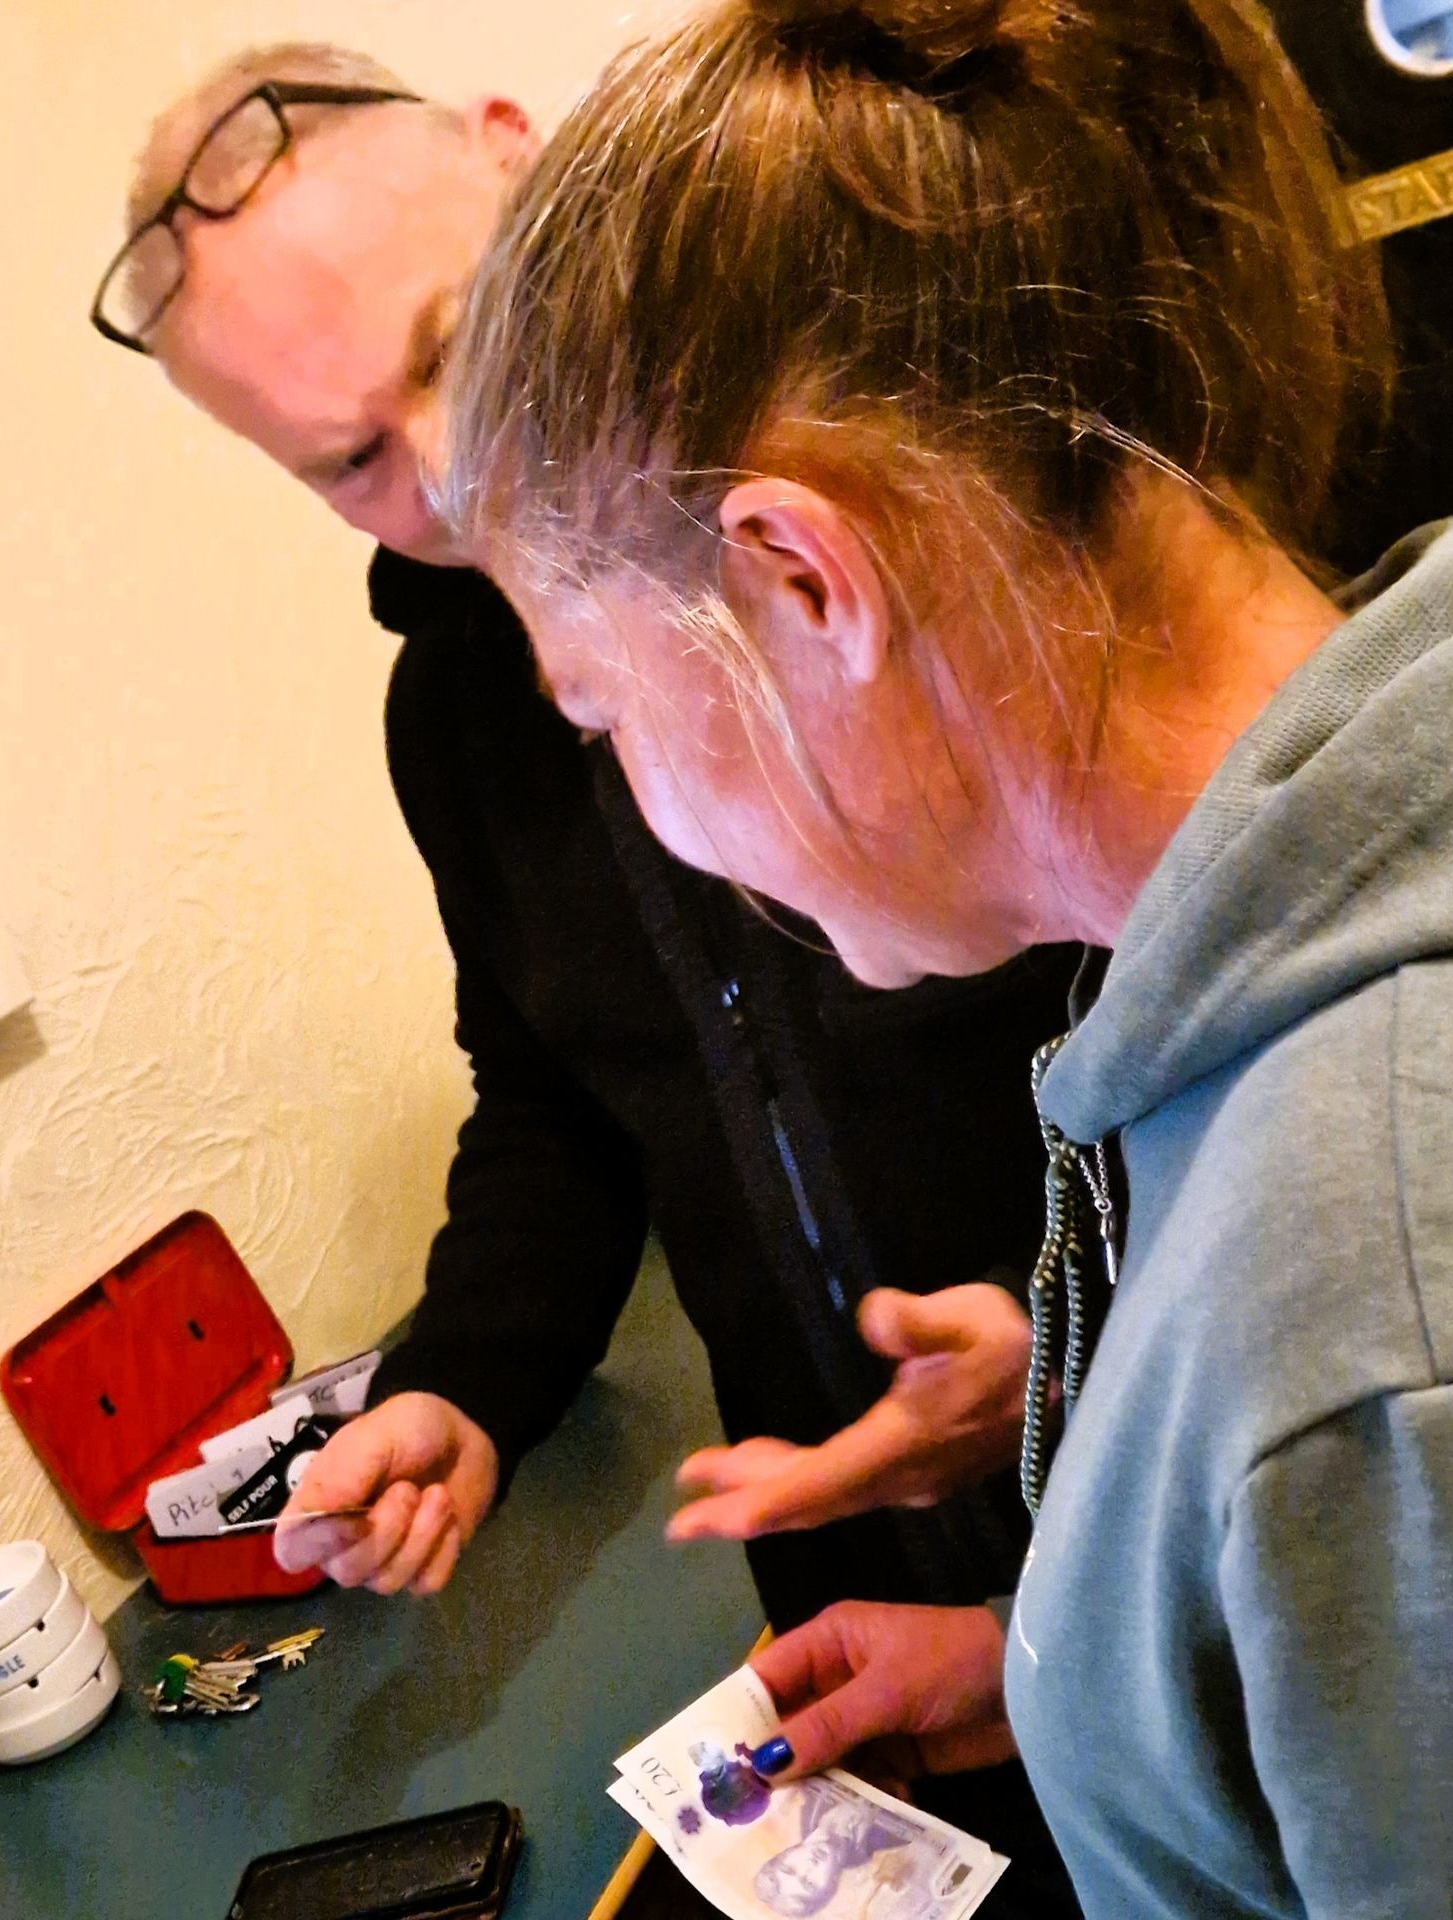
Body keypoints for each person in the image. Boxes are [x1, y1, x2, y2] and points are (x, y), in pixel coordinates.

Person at [439, 0, 1450, 1913]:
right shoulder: (1301, 913)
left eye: (611, 715)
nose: (648, 809)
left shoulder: (1376, 1318)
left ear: (805, 582)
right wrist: (1095, 1648)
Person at [94, 43, 1083, 1902]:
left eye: (458, 339)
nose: (461, 463)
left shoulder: (927, 466)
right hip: (848, 1538)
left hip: (1172, 1435)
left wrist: (1097, 1375)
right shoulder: (454, 712)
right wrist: (466, 1380)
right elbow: (558, 1092)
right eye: (352, 462)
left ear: (521, 155)